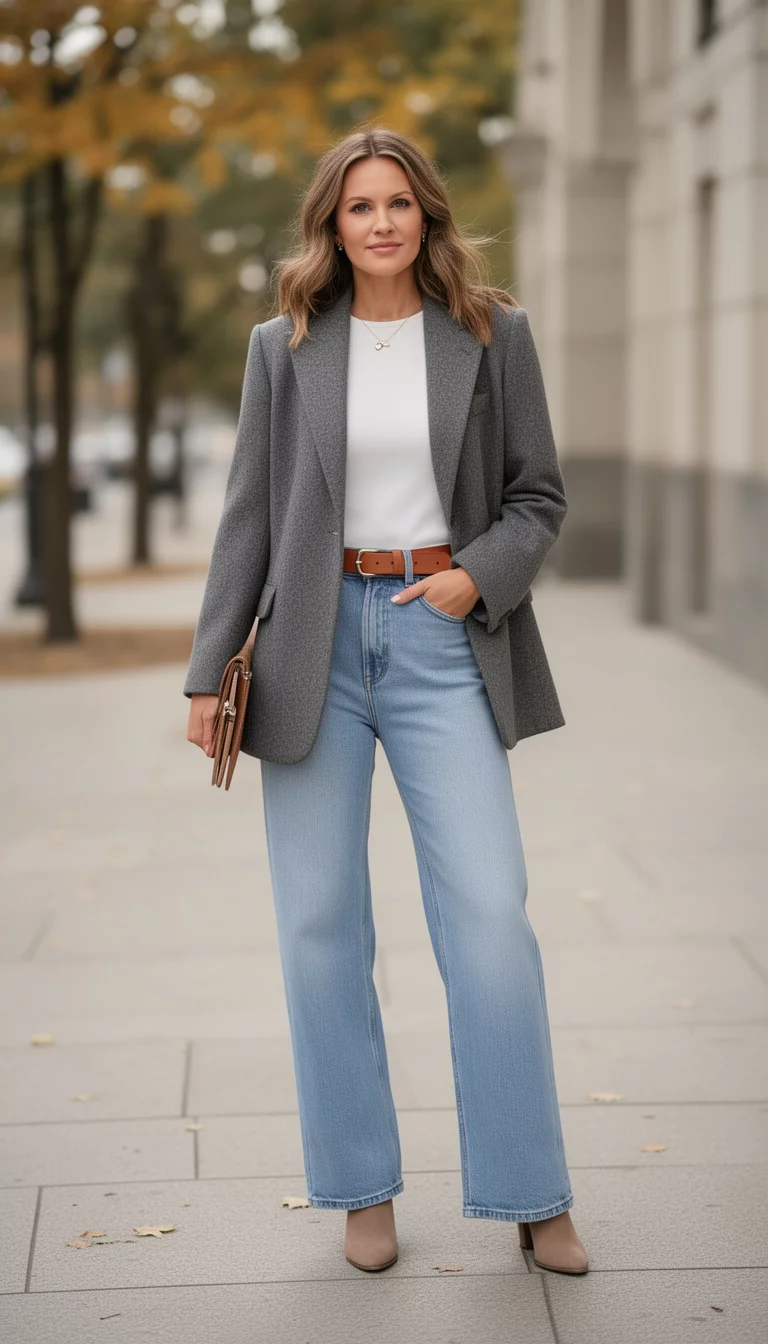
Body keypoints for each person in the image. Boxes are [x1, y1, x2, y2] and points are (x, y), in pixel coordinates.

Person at [185, 126, 588, 1277]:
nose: (379, 223)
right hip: (312, 642)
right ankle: (362, 1189)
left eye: (398, 203)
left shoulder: (491, 334)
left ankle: (531, 1190)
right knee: (319, 927)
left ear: (428, 216)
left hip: (439, 635)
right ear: (331, 223)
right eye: (358, 206)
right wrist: (210, 668)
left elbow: (539, 496)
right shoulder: (285, 346)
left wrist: (475, 577)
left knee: (491, 918)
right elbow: (249, 518)